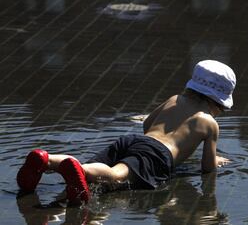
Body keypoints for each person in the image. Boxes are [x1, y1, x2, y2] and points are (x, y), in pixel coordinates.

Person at [16, 60, 236, 204]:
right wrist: (215, 160)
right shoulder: (209, 123)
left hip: (133, 141)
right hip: (157, 156)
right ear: (217, 102)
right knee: (116, 175)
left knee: (96, 168)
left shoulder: (175, 99)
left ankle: (46, 160)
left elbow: (147, 123)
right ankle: (78, 170)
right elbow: (207, 168)